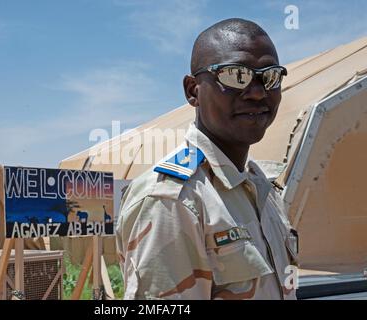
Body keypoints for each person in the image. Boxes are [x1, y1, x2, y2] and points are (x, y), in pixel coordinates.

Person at [116, 18, 298, 300]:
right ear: (193, 91)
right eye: (236, 75)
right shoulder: (172, 199)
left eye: (270, 76)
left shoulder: (262, 187)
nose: (258, 91)